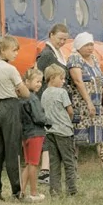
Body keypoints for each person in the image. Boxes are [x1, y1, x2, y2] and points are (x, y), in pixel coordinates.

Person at [0, 36, 27, 201]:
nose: (16, 53)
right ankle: (16, 191)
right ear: (3, 50)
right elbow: (24, 92)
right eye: (13, 50)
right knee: (13, 150)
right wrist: (23, 90)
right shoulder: (11, 69)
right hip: (10, 106)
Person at [40, 63, 78, 196]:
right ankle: (71, 189)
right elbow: (70, 111)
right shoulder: (62, 92)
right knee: (69, 161)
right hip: (64, 131)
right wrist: (68, 119)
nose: (63, 81)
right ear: (52, 78)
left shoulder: (44, 93)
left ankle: (55, 190)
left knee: (54, 162)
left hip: (50, 131)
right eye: (61, 78)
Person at [67, 32, 103, 147]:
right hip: (81, 104)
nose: (90, 48)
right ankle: (73, 162)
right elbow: (78, 81)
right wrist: (89, 102)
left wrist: (98, 103)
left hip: (96, 102)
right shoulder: (75, 58)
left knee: (99, 134)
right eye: (86, 45)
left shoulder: (94, 59)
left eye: (91, 45)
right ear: (79, 46)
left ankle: (102, 160)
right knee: (78, 135)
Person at [19, 68, 47, 202]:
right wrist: (48, 121)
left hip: (25, 134)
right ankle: (34, 192)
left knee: (28, 163)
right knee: (34, 164)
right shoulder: (33, 98)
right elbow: (39, 118)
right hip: (36, 133)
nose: (39, 84)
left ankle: (21, 191)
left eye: (40, 82)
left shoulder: (21, 98)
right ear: (27, 82)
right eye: (37, 81)